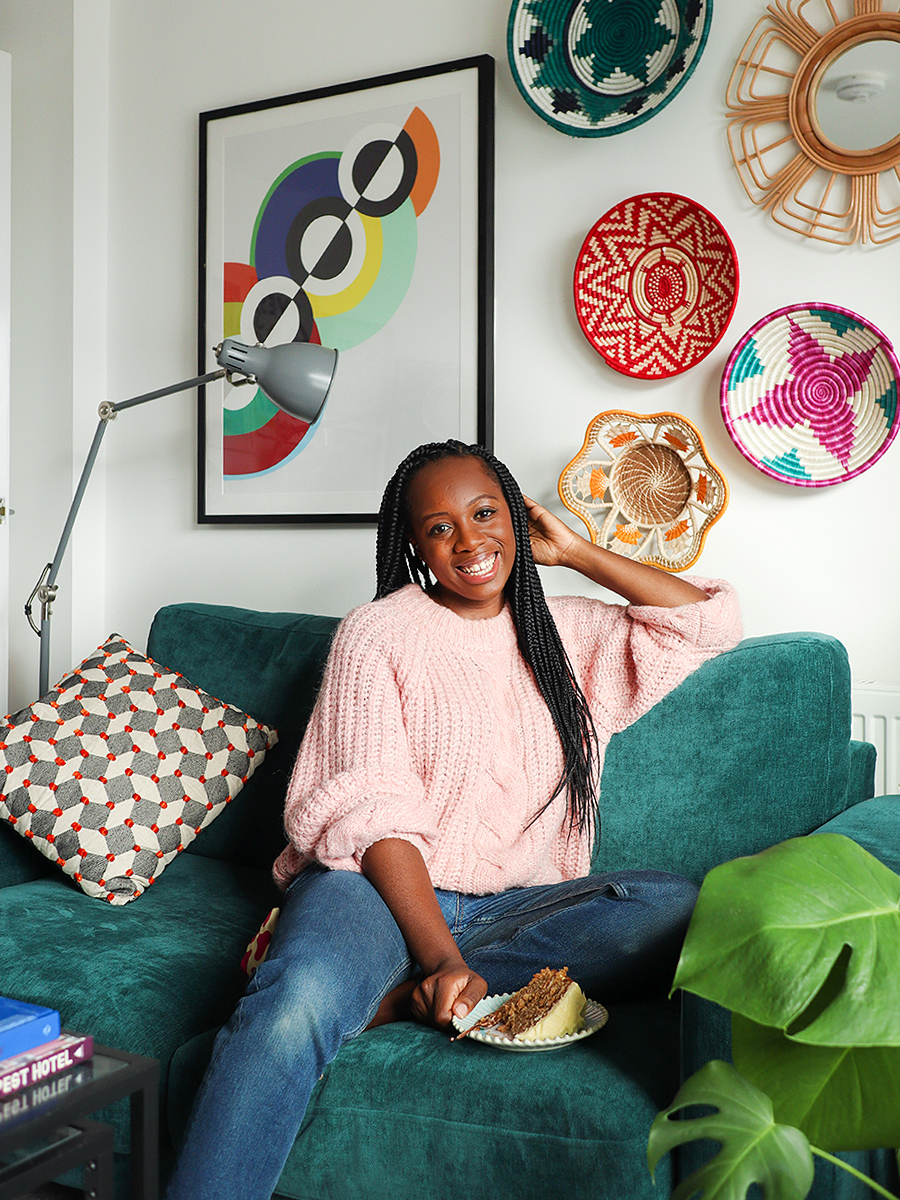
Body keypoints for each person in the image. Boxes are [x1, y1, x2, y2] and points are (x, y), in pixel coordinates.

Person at [165, 439, 742, 1200]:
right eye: (440, 528)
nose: (469, 543)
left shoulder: (567, 633)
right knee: (292, 1008)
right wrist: (440, 954)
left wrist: (575, 551)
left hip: (515, 910)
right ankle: (397, 977)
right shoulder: (379, 634)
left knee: (683, 907)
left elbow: (709, 622)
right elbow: (374, 818)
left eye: (484, 513)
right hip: (375, 892)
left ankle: (393, 997)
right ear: (414, 546)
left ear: (515, 515)